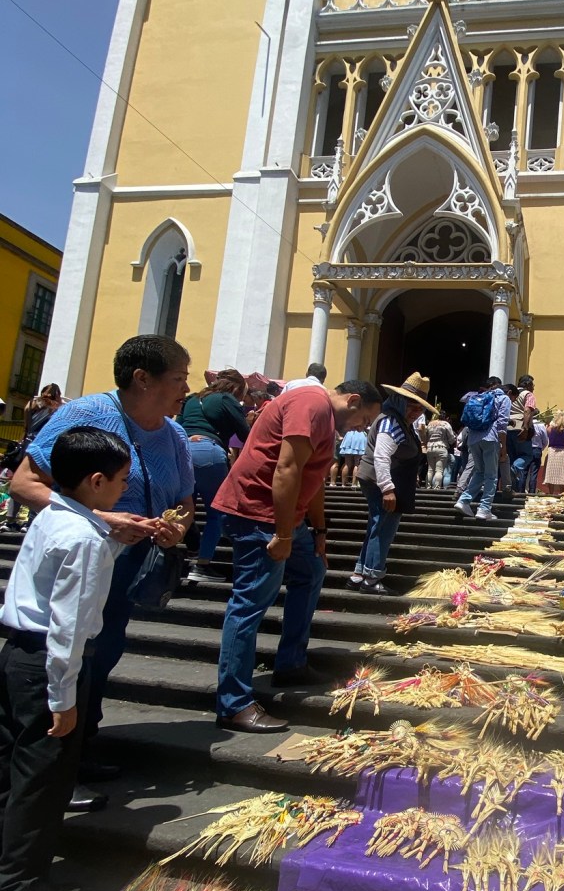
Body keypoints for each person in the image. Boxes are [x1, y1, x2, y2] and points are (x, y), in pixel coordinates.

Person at [11, 336, 194, 806]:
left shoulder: (174, 434)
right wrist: (99, 519)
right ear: (142, 379)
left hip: (131, 568)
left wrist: (176, 526)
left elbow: (185, 502)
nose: (186, 389)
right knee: (74, 655)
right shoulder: (85, 414)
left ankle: (78, 750)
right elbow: (24, 482)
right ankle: (50, 767)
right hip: (79, 562)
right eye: (179, 378)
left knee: (102, 655)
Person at [0, 427, 131, 891]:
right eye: (120, 480)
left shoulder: (55, 515)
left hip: (16, 653)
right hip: (48, 665)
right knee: (42, 777)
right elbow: (69, 626)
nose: (124, 489)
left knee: (10, 768)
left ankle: (7, 868)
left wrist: (115, 541)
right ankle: (19, 888)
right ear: (96, 481)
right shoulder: (83, 538)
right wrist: (63, 696)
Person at [213, 378, 381, 732]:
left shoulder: (325, 418)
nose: (362, 428)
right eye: (365, 419)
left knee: (311, 571)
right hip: (259, 514)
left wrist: (318, 532)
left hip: (289, 517)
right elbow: (287, 468)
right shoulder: (312, 404)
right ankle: (234, 703)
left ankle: (290, 663)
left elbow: (313, 478)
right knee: (250, 602)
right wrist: (283, 533)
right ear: (352, 400)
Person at [353, 374, 433, 592]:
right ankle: (371, 577)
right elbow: (381, 456)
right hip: (382, 483)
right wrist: (387, 488)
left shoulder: (399, 421)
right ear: (399, 400)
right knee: (383, 529)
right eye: (411, 405)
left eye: (419, 408)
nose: (415, 411)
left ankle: (360, 574)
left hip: (385, 481)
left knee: (376, 526)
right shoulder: (391, 421)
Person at [178, 368, 250, 583]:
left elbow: (178, 426)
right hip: (209, 452)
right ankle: (202, 563)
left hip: (182, 452)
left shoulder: (191, 400)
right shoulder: (225, 399)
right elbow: (245, 433)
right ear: (236, 388)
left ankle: (180, 551)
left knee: (183, 508)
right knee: (216, 513)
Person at [2, 384, 64, 531]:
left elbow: (26, 428)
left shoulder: (30, 404)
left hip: (27, 446)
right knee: (38, 484)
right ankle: (31, 521)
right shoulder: (57, 409)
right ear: (57, 395)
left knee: (19, 482)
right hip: (43, 448)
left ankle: (10, 520)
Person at [453, 376, 510, 522]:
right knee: (491, 476)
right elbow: (502, 424)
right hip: (491, 438)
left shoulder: (480, 396)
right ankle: (484, 509)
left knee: (479, 472)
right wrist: (503, 446)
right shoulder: (504, 399)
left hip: (473, 439)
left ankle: (463, 501)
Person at [506, 375, 538, 493]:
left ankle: (512, 488)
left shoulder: (510, 394)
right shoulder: (528, 395)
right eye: (533, 385)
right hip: (520, 427)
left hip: (507, 428)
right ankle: (515, 468)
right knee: (527, 455)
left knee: (511, 456)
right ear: (528, 385)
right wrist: (525, 427)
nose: (533, 387)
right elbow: (527, 410)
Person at [424, 410, 456, 490]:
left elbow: (425, 436)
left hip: (430, 448)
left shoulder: (430, 424)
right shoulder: (446, 424)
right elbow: (451, 438)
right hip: (441, 447)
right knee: (439, 470)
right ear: (445, 417)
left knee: (430, 469)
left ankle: (427, 486)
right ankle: (436, 487)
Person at [543, 410, 564, 495]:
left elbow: (547, 435)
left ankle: (551, 493)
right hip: (563, 451)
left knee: (551, 473)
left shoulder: (550, 428)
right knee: (562, 473)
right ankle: (561, 492)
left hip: (552, 451)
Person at [528, 416, 548, 493]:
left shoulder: (526, 423)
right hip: (537, 449)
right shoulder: (540, 425)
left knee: (524, 472)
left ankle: (521, 491)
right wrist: (541, 448)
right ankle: (532, 492)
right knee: (534, 473)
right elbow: (545, 440)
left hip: (526, 448)